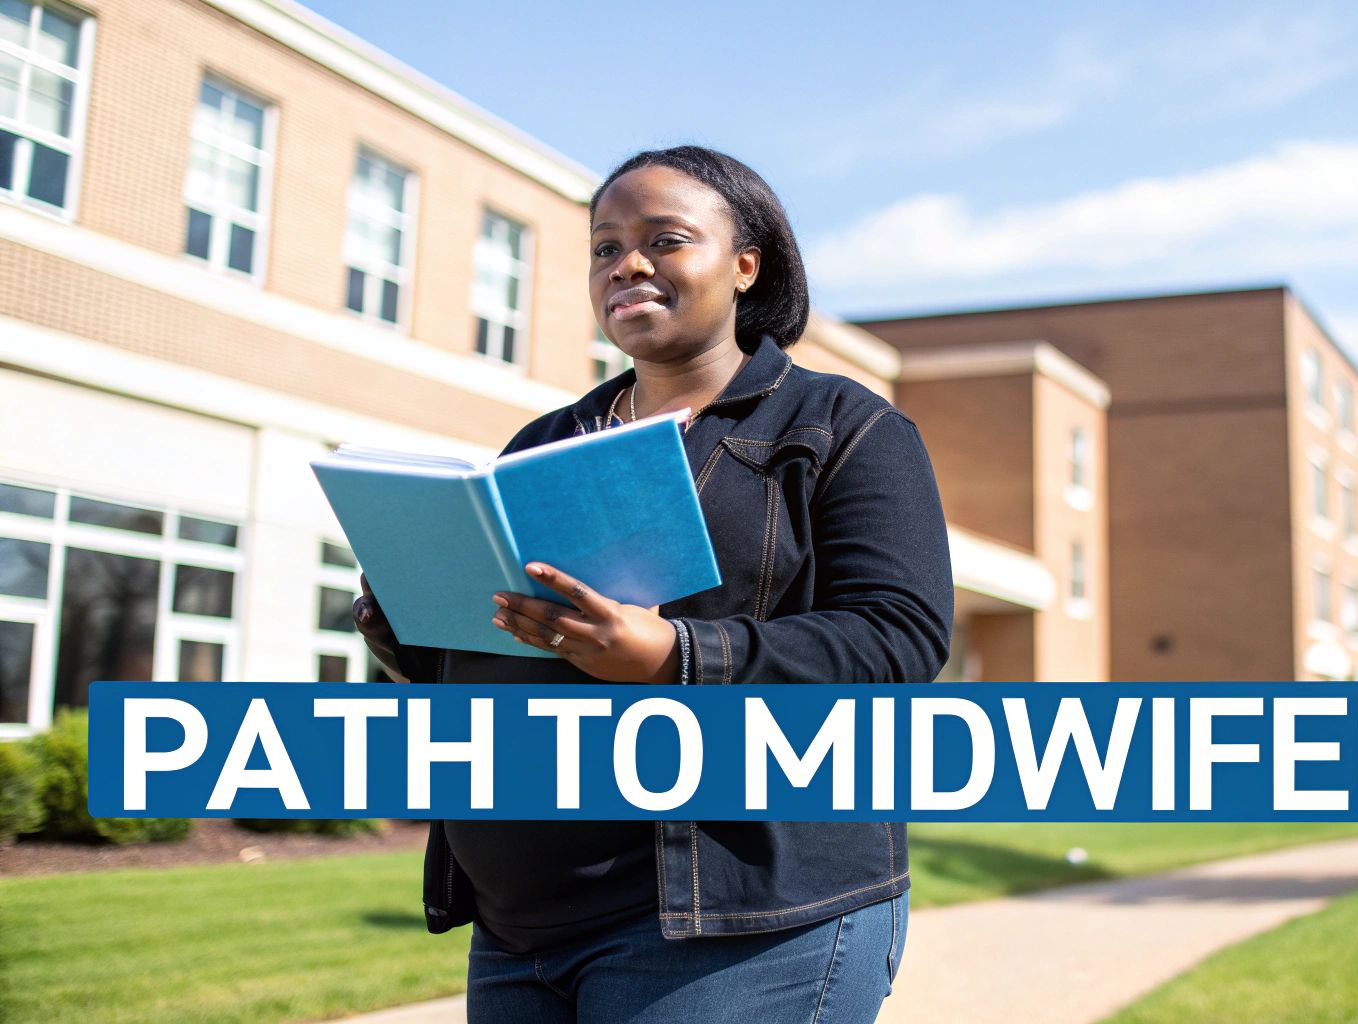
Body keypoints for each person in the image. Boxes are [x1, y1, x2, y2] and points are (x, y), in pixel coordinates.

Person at [353, 145, 954, 1023]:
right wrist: (410, 610)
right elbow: (506, 653)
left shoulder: (842, 428)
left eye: (665, 240)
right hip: (521, 932)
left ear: (747, 266)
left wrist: (676, 653)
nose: (626, 264)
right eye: (605, 248)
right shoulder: (546, 444)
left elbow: (897, 639)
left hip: (743, 923)